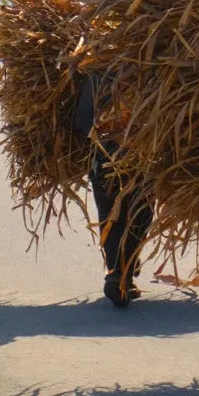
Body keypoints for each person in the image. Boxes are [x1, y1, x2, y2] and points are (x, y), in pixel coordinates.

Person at [73, 72, 154, 308]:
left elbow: (82, 120)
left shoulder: (149, 70)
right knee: (127, 217)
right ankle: (120, 273)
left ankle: (122, 271)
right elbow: (84, 120)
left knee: (129, 216)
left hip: (134, 160)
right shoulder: (100, 74)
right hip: (115, 161)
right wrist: (114, 135)